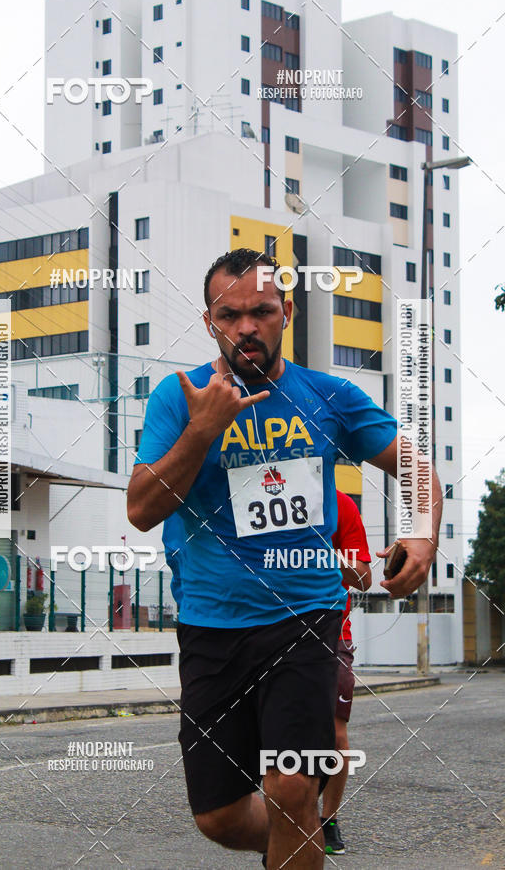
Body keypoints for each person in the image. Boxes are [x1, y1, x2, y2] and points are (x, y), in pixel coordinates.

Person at [127, 248, 442, 869]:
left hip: (306, 619)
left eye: (262, 311)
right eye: (231, 314)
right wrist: (203, 430)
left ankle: (299, 831)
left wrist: (423, 539)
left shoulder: (328, 397)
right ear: (211, 321)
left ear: (286, 313)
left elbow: (416, 466)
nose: (248, 326)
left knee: (291, 785)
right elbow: (141, 508)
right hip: (212, 625)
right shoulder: (179, 396)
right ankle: (299, 844)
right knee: (217, 815)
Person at [320, 490, 372, 856]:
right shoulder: (260, 493)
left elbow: (364, 578)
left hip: (331, 631)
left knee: (337, 737)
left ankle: (329, 819)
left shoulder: (341, 504)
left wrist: (316, 553)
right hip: (269, 628)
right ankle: (288, 816)